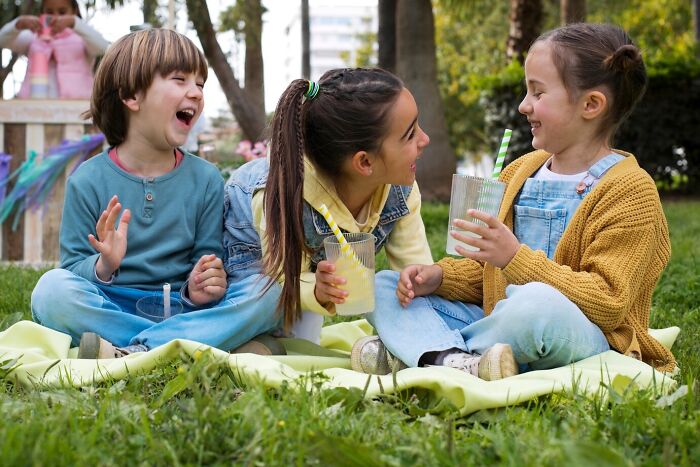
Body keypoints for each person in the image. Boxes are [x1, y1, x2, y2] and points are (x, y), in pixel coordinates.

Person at [354, 23, 675, 380]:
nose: (524, 105)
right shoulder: (519, 172)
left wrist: (514, 257)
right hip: (498, 320)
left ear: (591, 104)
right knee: (383, 286)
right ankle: (459, 359)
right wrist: (439, 277)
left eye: (538, 93)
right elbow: (488, 276)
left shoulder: (630, 191)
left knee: (535, 306)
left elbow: (608, 302)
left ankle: (422, 350)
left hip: (579, 333)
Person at [30, 28, 280, 359]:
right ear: (132, 96)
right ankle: (196, 345)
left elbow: (206, 259)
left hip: (185, 310)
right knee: (50, 291)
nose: (195, 93)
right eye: (180, 79)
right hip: (112, 307)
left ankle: (134, 351)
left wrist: (202, 284)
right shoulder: (86, 180)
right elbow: (72, 268)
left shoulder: (206, 178)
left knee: (272, 289)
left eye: (200, 84)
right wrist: (104, 264)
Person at [224, 68, 433, 347]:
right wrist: (316, 292)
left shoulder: (401, 189)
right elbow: (283, 280)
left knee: (304, 333)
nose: (425, 139)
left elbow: (416, 270)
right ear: (365, 163)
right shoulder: (281, 195)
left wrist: (419, 284)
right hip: (258, 260)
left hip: (305, 274)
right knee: (265, 306)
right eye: (410, 135)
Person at [0, 0, 109, 99]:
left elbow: (102, 47)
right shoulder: (33, 37)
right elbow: (2, 40)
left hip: (76, 110)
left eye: (62, 12)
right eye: (49, 12)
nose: (55, 17)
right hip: (35, 109)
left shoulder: (82, 38)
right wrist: (18, 24)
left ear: (74, 12)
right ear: (42, 13)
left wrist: (74, 23)